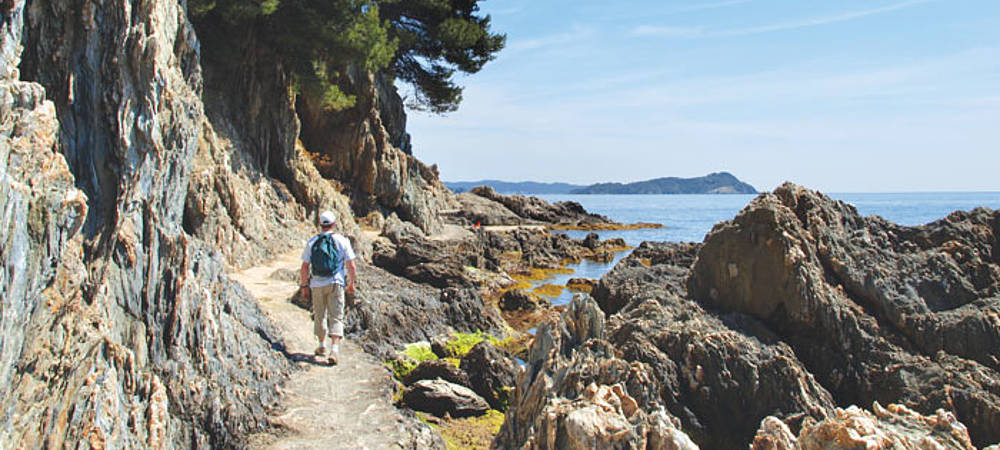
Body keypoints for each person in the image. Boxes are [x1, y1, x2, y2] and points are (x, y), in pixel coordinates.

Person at [300, 210, 356, 365]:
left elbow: (304, 267)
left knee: (320, 315)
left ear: (320, 224)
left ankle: (321, 345)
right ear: (334, 224)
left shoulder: (312, 242)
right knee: (336, 316)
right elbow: (351, 265)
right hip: (336, 283)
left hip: (316, 284)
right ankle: (335, 350)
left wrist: (304, 286)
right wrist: (351, 283)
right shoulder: (342, 240)